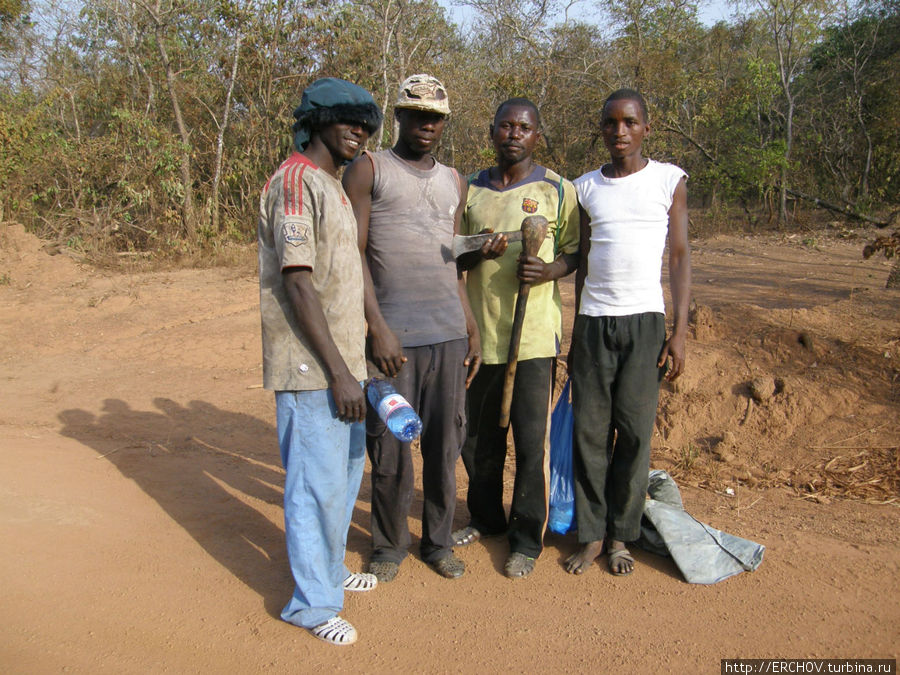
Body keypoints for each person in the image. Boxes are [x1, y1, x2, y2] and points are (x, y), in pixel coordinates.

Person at [257, 77, 383, 645]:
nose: (359, 132)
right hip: (312, 366)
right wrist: (336, 371)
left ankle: (330, 573)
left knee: (341, 476)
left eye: (366, 124)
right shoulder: (292, 183)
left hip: (344, 364)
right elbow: (300, 285)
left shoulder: (330, 184)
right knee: (312, 483)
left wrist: (357, 362)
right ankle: (310, 605)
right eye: (349, 121)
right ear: (319, 121)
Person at [342, 74, 481, 582]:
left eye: (436, 116)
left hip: (447, 336)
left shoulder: (455, 181)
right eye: (416, 113)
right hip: (393, 343)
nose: (426, 123)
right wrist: (376, 326)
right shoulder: (368, 169)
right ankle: (388, 545)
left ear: (444, 123)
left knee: (445, 447)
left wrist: (470, 325)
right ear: (397, 115)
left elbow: (454, 261)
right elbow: (353, 252)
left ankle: (438, 542)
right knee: (391, 448)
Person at [565, 88, 691, 577]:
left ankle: (622, 534)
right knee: (590, 434)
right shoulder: (585, 188)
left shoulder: (668, 180)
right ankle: (592, 535)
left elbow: (679, 258)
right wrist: (576, 329)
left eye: (630, 122)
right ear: (601, 128)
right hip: (594, 324)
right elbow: (584, 263)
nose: (620, 132)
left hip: (645, 323)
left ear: (646, 127)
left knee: (636, 433)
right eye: (611, 123)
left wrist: (679, 333)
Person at [454, 98, 580, 578]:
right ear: (491, 132)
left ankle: (526, 538)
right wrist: (477, 253)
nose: (514, 134)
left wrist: (547, 269)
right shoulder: (467, 190)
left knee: (531, 443)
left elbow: (574, 251)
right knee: (477, 440)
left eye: (524, 128)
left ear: (537, 136)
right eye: (505, 126)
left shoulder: (557, 190)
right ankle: (486, 518)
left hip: (532, 342)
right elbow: (453, 257)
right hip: (479, 338)